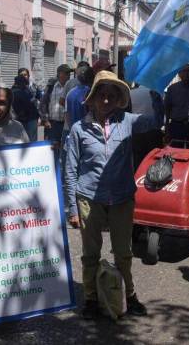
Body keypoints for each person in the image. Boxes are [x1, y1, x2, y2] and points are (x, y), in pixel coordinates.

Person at [65, 70, 157, 319]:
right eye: (101, 95)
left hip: (121, 197)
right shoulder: (78, 129)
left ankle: (130, 296)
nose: (106, 100)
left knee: (123, 253)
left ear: (118, 99)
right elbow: (71, 170)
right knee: (90, 253)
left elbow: (154, 121)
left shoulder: (127, 121)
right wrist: (73, 209)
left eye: (111, 96)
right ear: (92, 98)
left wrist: (157, 92)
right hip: (89, 197)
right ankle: (92, 299)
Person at [129, 83, 164, 170]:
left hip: (136, 131)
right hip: (153, 132)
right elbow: (161, 114)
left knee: (138, 159)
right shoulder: (156, 94)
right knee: (154, 159)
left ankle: (138, 179)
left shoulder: (131, 93)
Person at [40, 64, 72, 157]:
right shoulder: (51, 86)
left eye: (68, 74)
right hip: (52, 124)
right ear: (59, 74)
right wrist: (45, 120)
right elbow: (43, 103)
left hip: (66, 124)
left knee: (66, 149)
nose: (68, 75)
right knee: (52, 150)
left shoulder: (71, 86)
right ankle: (53, 168)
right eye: (65, 73)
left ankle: (63, 169)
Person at [65, 63, 95, 127]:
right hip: (87, 132)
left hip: (74, 131)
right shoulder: (91, 92)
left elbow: (67, 115)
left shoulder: (70, 93)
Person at [12, 75, 39, 142]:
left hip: (22, 119)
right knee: (31, 140)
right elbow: (28, 104)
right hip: (29, 119)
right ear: (22, 83)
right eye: (25, 83)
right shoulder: (20, 92)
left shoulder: (14, 91)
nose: (26, 85)